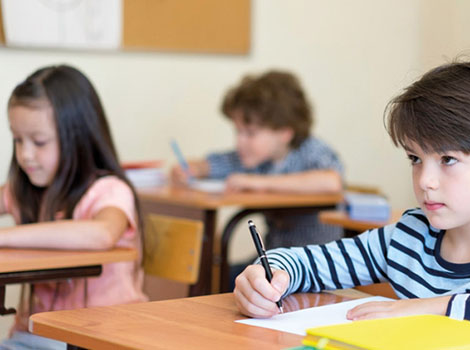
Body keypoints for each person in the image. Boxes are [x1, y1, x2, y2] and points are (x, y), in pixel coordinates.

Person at [233, 56, 470, 349]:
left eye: (448, 160)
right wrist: (267, 277)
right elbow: (311, 263)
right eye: (415, 159)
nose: (425, 181)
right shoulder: (410, 237)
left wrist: (429, 308)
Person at [0, 65, 147, 349]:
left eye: (39, 141)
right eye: (18, 140)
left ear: (78, 136)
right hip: (37, 335)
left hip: (103, 337)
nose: (25, 155)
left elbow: (102, 234)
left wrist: (4, 236)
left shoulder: (109, 192)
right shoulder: (25, 190)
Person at [171, 70, 344, 249]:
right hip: (274, 258)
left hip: (314, 263)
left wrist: (260, 183)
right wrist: (195, 169)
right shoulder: (257, 159)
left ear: (285, 132)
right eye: (238, 131)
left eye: (250, 133)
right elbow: (218, 164)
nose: (239, 142)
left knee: (226, 274)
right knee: (222, 273)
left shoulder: (311, 150)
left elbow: (331, 182)